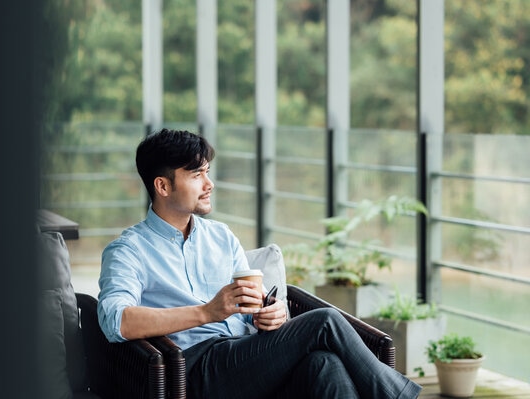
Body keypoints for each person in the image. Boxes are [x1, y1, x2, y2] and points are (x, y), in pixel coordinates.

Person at [97, 128, 421, 399]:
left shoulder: (221, 237)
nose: (209, 184)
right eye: (196, 175)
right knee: (323, 321)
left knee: (324, 364)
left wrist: (272, 314)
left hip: (247, 355)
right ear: (163, 186)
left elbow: (259, 304)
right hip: (193, 370)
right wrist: (206, 313)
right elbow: (115, 321)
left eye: (207, 172)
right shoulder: (129, 250)